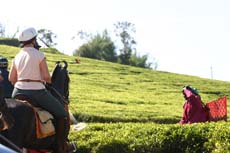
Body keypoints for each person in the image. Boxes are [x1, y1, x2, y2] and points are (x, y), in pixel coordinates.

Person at [8, 27, 69, 153]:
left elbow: (11, 78)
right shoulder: (39, 55)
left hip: (17, 91)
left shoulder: (17, 56)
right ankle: (61, 145)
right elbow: (47, 77)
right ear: (34, 40)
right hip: (37, 91)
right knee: (62, 114)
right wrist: (47, 79)